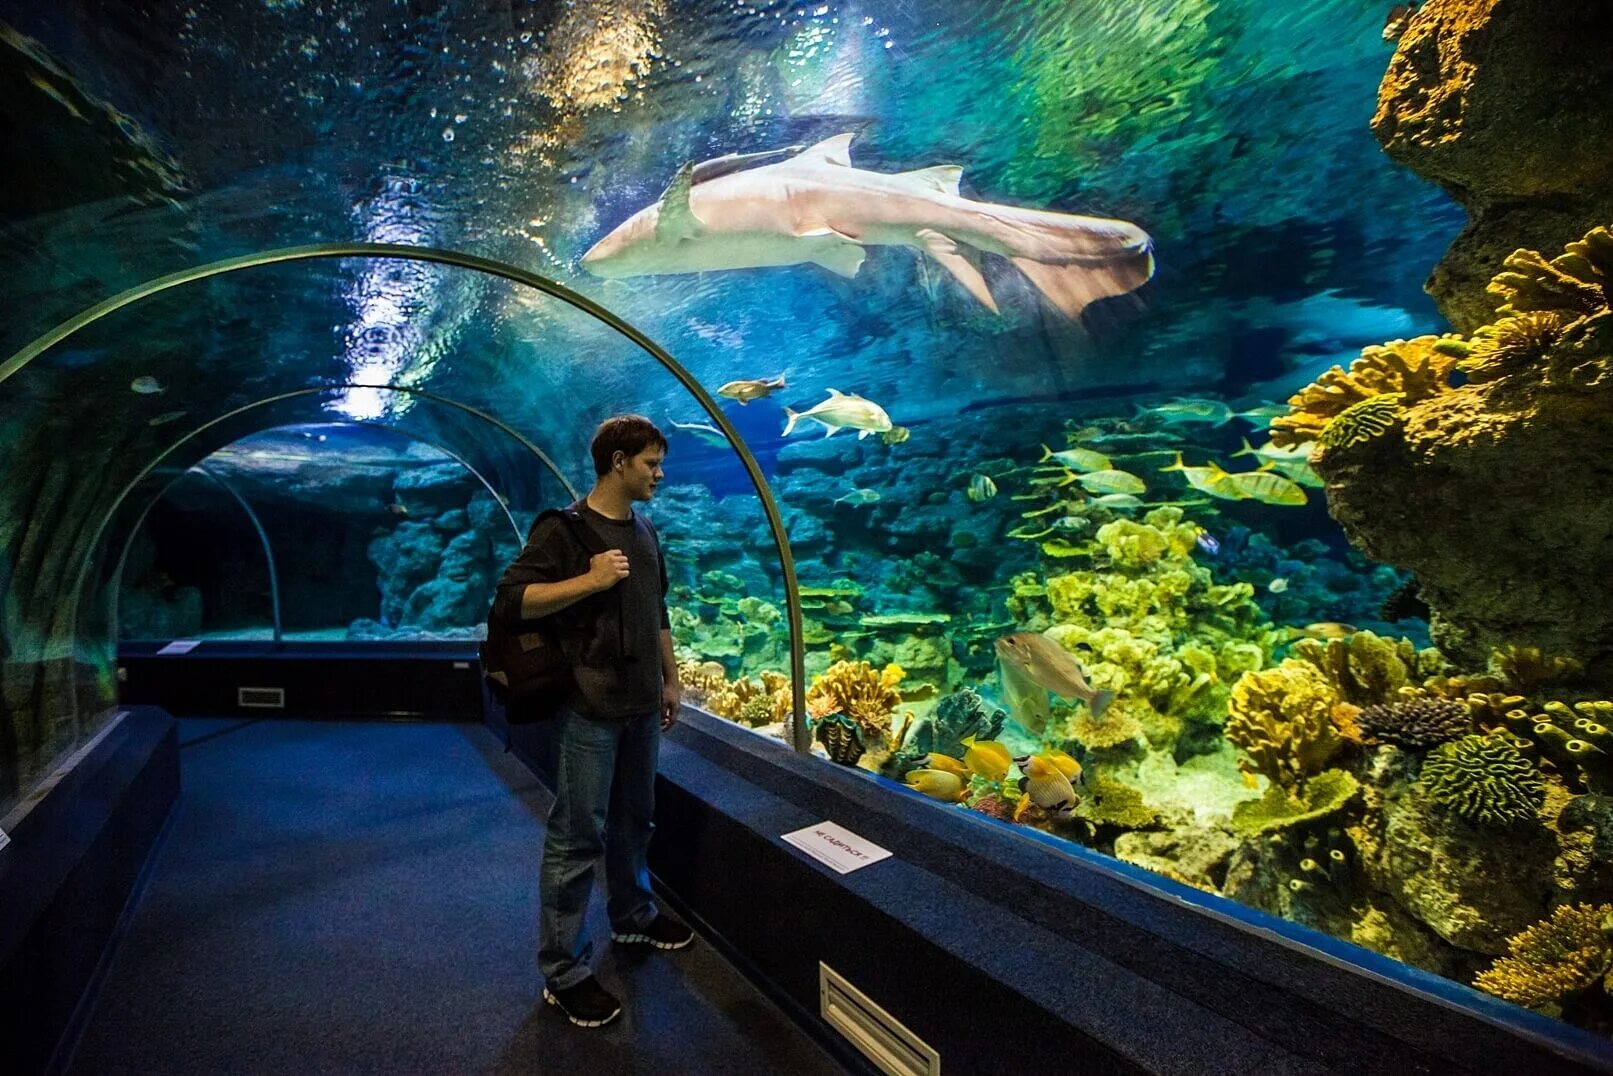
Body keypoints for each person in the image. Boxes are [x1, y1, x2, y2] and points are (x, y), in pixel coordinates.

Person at [492, 414, 691, 1029]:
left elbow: (655, 609)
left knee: (637, 818)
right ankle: (565, 970)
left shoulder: (647, 531)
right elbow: (511, 600)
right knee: (577, 836)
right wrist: (590, 579)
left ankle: (633, 919)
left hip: (638, 705)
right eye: (651, 463)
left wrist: (672, 677)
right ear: (618, 462)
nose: (660, 474)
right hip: (588, 709)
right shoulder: (564, 530)